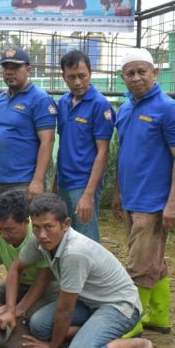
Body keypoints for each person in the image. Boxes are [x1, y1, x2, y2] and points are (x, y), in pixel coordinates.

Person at [0, 193, 152, 348]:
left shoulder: (74, 253)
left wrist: (52, 347)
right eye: (37, 227)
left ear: (66, 224)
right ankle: (92, 333)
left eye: (49, 227)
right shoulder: (39, 240)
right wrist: (11, 309)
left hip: (119, 306)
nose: (42, 234)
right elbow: (16, 268)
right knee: (38, 325)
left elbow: (66, 310)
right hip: (89, 302)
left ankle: (137, 345)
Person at [113, 48, 175, 336]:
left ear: (155, 73)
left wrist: (173, 204)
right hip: (132, 199)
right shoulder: (125, 109)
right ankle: (159, 316)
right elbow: (125, 153)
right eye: (130, 73)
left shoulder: (170, 109)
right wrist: (119, 193)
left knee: (138, 267)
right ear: (123, 77)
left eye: (142, 71)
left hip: (154, 204)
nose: (136, 78)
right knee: (152, 262)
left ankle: (129, 325)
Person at [55, 50, 115, 242]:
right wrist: (56, 182)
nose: (77, 82)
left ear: (90, 72)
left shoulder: (100, 105)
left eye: (82, 76)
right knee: (65, 235)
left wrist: (89, 194)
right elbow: (64, 144)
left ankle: (91, 273)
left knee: (86, 240)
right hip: (64, 181)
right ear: (64, 77)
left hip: (84, 183)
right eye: (71, 77)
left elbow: (103, 152)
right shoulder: (63, 102)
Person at [0, 47, 56, 200]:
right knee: (3, 224)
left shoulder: (40, 99)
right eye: (6, 68)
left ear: (28, 69)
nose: (9, 72)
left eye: (15, 67)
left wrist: (38, 181)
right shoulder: (0, 99)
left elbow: (48, 141)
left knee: (25, 224)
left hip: (24, 182)